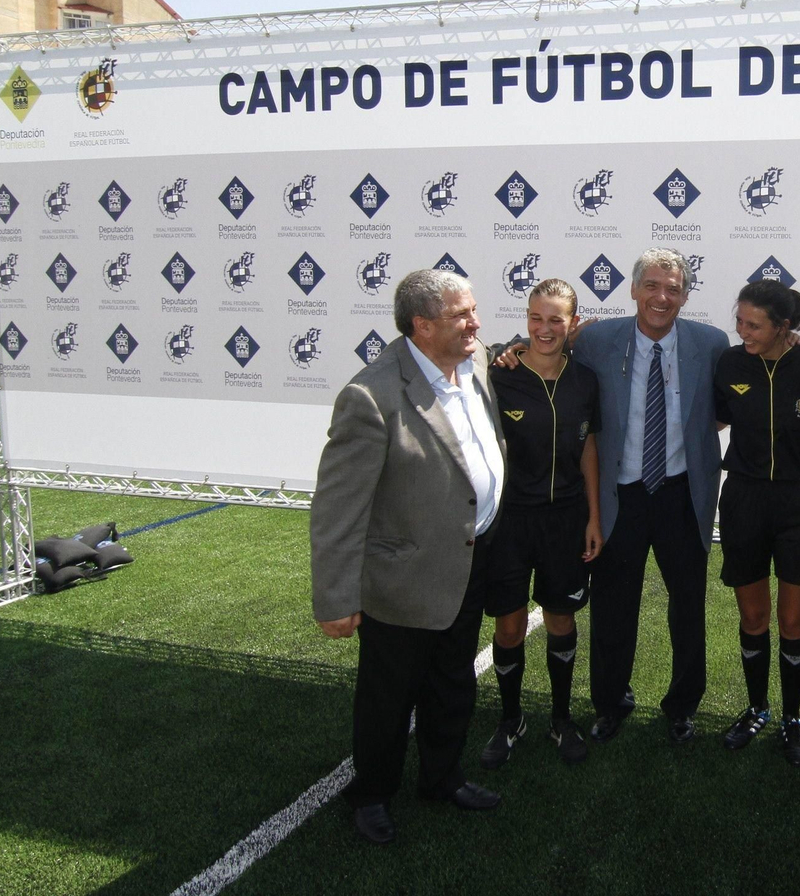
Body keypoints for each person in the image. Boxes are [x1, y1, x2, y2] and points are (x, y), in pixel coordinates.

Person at [310, 269, 508, 844]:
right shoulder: (370, 397)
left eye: (474, 311)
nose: (476, 323)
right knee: (388, 699)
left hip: (468, 564)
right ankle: (371, 794)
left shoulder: (474, 365)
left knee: (453, 684)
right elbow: (337, 511)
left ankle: (443, 778)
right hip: (403, 580)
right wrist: (336, 598)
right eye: (462, 315)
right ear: (422, 326)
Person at [545, 247, 729, 745]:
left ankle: (682, 706)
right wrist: (512, 348)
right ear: (633, 289)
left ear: (686, 296)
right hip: (618, 494)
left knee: (688, 606)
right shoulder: (597, 340)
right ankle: (610, 702)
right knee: (612, 606)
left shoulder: (711, 343)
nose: (661, 297)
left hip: (681, 494)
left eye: (673, 289)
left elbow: (740, 389)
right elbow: (547, 347)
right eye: (652, 285)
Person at [479, 279, 603, 769]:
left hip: (567, 520)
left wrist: (594, 516)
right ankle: (510, 720)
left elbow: (590, 447)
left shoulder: (585, 380)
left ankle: (560, 717)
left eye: (556, 319)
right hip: (510, 523)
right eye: (536, 318)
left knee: (560, 619)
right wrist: (502, 350)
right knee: (508, 626)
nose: (544, 329)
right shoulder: (498, 373)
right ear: (525, 318)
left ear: (573, 323)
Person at [713, 281, 800, 765]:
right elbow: (710, 420)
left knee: (793, 619)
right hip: (744, 500)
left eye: (753, 324)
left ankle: (792, 717)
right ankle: (757, 707)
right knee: (753, 616)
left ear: (784, 326)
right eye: (739, 321)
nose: (742, 331)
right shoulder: (731, 363)